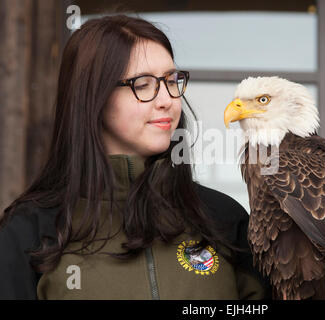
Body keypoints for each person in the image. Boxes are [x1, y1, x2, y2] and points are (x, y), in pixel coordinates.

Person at [0, 14, 270, 300]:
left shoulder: (224, 219)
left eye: (171, 80)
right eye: (142, 84)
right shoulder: (29, 231)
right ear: (94, 96)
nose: (167, 99)